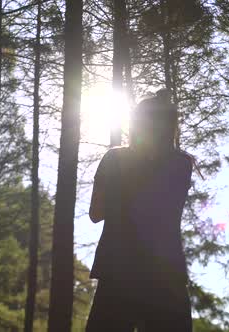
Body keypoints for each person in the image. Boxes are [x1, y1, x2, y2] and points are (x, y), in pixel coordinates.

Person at [85, 90, 195, 332]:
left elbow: (96, 213)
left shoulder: (114, 159)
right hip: (167, 274)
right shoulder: (181, 164)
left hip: (118, 270)